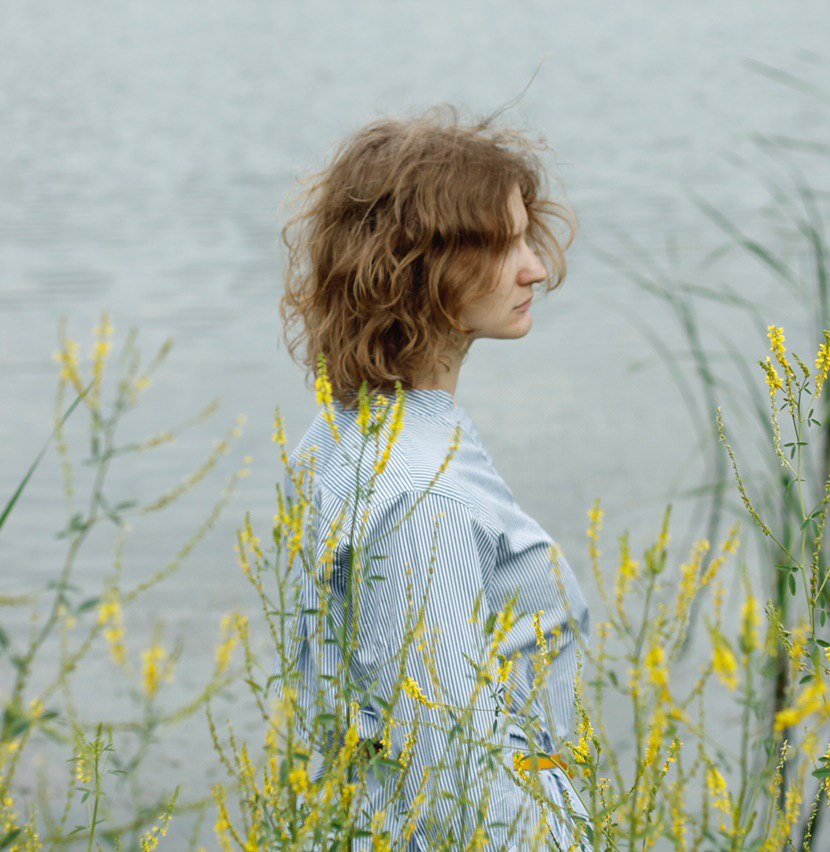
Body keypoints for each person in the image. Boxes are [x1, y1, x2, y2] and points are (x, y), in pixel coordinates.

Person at [279, 106, 591, 850]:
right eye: (501, 245)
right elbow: (450, 774)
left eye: (526, 236)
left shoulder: (334, 437)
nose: (535, 268)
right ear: (422, 266)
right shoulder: (428, 497)